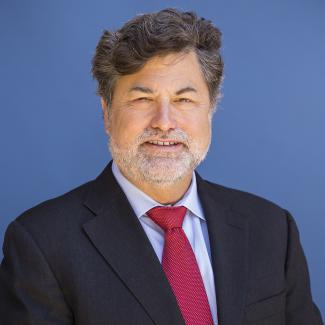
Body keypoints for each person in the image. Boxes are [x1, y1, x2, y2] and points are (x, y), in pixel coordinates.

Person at [0, 8, 323, 325]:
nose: (164, 123)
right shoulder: (41, 243)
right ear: (106, 112)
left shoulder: (272, 229)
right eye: (142, 99)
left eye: (184, 100)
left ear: (210, 109)